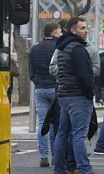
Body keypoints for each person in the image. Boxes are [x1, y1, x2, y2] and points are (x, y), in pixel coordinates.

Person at [52, 18, 95, 174]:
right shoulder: (78, 49)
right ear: (73, 30)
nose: (86, 31)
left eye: (86, 28)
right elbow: (84, 75)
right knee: (79, 135)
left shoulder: (62, 47)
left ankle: (59, 168)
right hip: (78, 96)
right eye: (82, 28)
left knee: (62, 133)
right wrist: (89, 93)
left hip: (64, 95)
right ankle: (85, 169)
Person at [29, 21, 61, 167]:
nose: (61, 33)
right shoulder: (59, 47)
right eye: (59, 31)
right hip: (55, 88)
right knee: (55, 123)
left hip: (40, 88)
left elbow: (31, 70)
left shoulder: (34, 48)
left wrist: (36, 80)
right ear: (54, 32)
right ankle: (55, 156)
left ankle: (43, 157)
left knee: (42, 122)